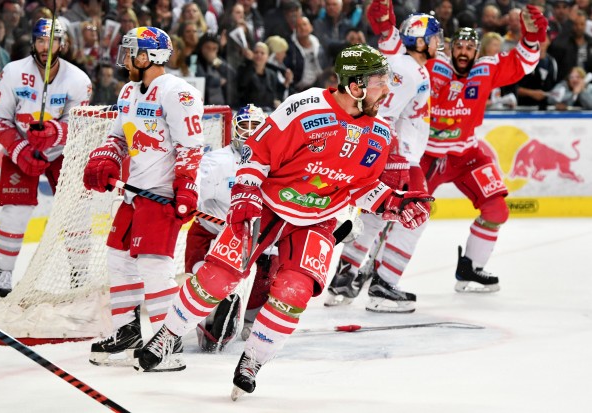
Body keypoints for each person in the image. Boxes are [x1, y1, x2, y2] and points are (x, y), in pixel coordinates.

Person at [135, 43, 433, 399]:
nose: (387, 90)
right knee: (217, 276)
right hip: (269, 206)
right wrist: (245, 192)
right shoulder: (304, 107)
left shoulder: (381, 134)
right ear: (354, 86)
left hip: (317, 219)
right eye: (379, 82)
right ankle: (168, 334)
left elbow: (362, 188)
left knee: (294, 291)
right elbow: (257, 152)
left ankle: (252, 360)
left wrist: (394, 204)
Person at [363, 4, 545, 298]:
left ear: (477, 50)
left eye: (469, 47)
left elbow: (523, 63)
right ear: (449, 48)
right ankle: (375, 263)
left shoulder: (486, 69)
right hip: (428, 154)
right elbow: (400, 54)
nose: (463, 51)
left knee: (497, 209)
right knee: (403, 212)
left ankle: (471, 267)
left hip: (466, 153)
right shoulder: (434, 65)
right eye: (458, 46)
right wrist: (386, 29)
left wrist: (532, 38)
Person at [83, 26, 205, 370]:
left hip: (162, 195)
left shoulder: (179, 93)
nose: (124, 58)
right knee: (117, 259)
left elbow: (190, 146)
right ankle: (127, 334)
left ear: (149, 56)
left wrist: (186, 185)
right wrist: (104, 158)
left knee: (154, 266)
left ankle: (169, 341)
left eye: (130, 51)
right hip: (134, 194)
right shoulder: (127, 91)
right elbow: (118, 137)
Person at [326, 10, 444, 311]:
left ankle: (344, 276)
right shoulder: (409, 70)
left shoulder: (408, 67)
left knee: (375, 215)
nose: (438, 43)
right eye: (433, 38)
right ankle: (384, 284)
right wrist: (393, 158)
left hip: (393, 152)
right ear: (420, 41)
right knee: (416, 213)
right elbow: (383, 112)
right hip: (398, 154)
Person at [0, 18, 91, 297]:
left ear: (63, 44)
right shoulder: (11, 73)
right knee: (16, 212)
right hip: (19, 147)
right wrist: (19, 149)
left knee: (76, 212)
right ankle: (4, 270)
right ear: (33, 42)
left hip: (62, 153)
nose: (46, 47)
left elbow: (79, 124)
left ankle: (79, 271)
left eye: (53, 40)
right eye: (41, 40)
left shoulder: (79, 80)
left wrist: (56, 133)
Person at [184, 104, 277, 352]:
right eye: (243, 126)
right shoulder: (217, 161)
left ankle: (248, 317)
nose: (248, 133)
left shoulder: (274, 164)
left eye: (254, 127)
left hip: (252, 240)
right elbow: (194, 188)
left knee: (274, 271)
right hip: (209, 237)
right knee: (208, 287)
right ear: (234, 129)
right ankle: (212, 318)